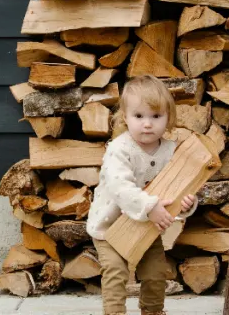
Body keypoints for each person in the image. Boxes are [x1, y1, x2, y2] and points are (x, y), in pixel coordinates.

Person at [86, 75, 198, 315]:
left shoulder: (169, 151)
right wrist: (149, 207)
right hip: (110, 226)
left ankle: (153, 310)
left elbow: (177, 185)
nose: (147, 124)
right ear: (125, 118)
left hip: (146, 227)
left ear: (168, 118)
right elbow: (120, 188)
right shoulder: (119, 149)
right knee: (116, 272)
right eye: (139, 116)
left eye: (156, 116)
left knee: (156, 272)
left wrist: (186, 203)